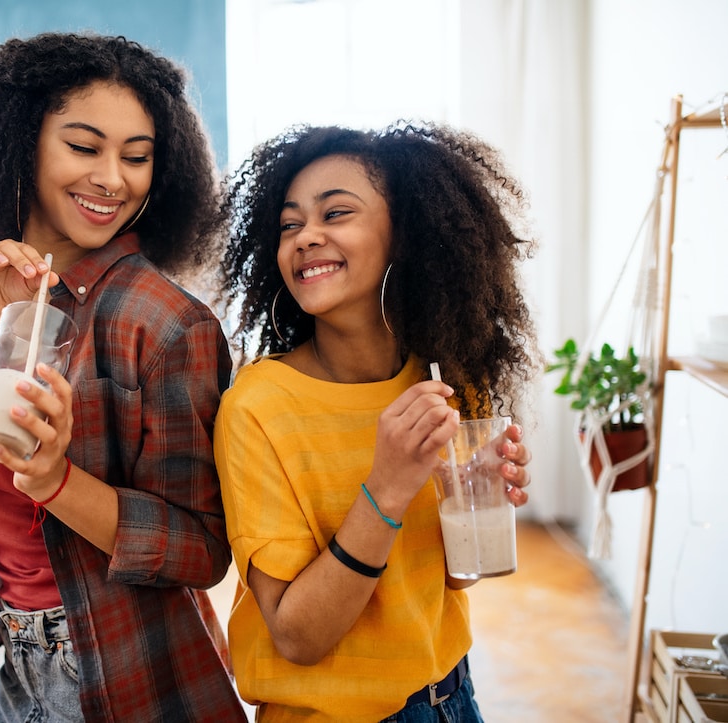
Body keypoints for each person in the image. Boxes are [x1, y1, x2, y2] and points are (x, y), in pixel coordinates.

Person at [0, 32, 247, 722]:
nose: (113, 178)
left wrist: (56, 482)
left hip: (129, 667)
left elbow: (203, 547)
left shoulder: (161, 324)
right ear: (21, 140)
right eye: (84, 145)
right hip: (20, 662)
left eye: (137, 157)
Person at [213, 123, 540, 722]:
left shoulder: (444, 381)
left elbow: (456, 581)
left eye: (336, 213)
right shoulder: (259, 406)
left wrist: (476, 493)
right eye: (290, 224)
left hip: (451, 697)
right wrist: (387, 487)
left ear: (405, 236)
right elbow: (297, 636)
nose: (307, 236)